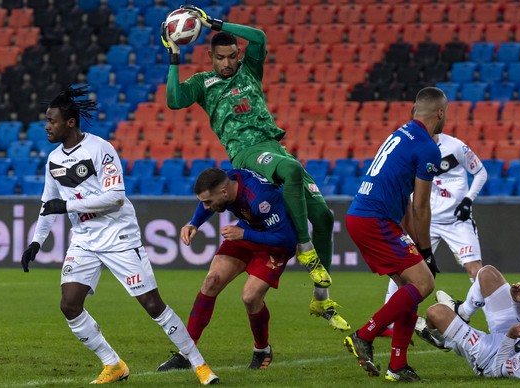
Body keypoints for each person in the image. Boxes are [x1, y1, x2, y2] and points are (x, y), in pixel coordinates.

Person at [160, 5, 350, 332]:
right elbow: (174, 100)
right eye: (221, 58)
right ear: (210, 56)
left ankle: (322, 297)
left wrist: (213, 22)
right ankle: (305, 250)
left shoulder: (249, 70)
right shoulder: (203, 84)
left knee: (325, 217)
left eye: (233, 56)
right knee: (290, 171)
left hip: (273, 149)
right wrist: (174, 55)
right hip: (247, 153)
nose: (228, 63)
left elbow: (259, 37)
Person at [20, 86, 218, 385]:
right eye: (47, 120)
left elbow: (115, 196)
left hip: (118, 236)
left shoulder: (101, 149)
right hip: (85, 240)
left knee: (153, 306)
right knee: (69, 305)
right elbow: (49, 206)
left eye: (52, 120)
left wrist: (69, 205)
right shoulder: (53, 160)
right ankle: (113, 364)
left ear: (70, 122)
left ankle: (200, 365)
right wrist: (37, 241)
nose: (47, 125)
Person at [343, 86, 445, 382]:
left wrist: (418, 247)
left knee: (410, 289)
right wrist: (426, 251)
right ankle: (364, 335)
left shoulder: (400, 134)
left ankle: (397, 365)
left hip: (362, 215)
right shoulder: (428, 148)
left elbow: (408, 204)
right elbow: (423, 206)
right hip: (375, 219)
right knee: (424, 282)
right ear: (440, 113)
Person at [157, 167, 297, 371]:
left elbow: (287, 240)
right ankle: (187, 352)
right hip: (247, 232)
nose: (205, 206)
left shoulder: (261, 199)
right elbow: (207, 205)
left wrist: (243, 235)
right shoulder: (226, 181)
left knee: (250, 297)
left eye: (208, 202)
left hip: (273, 244)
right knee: (212, 280)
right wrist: (194, 223)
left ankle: (262, 350)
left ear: (224, 193)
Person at [382, 133, 488, 335]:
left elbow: (481, 173)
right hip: (426, 222)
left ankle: (465, 313)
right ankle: (390, 321)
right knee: (405, 266)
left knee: (476, 270)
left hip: (457, 221)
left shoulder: (456, 147)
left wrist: (468, 200)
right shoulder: (413, 146)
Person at [416, 265, 520, 380]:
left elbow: (497, 370)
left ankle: (440, 340)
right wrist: (518, 303)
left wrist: (510, 336)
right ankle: (462, 312)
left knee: (436, 313)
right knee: (487, 273)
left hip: (490, 356)